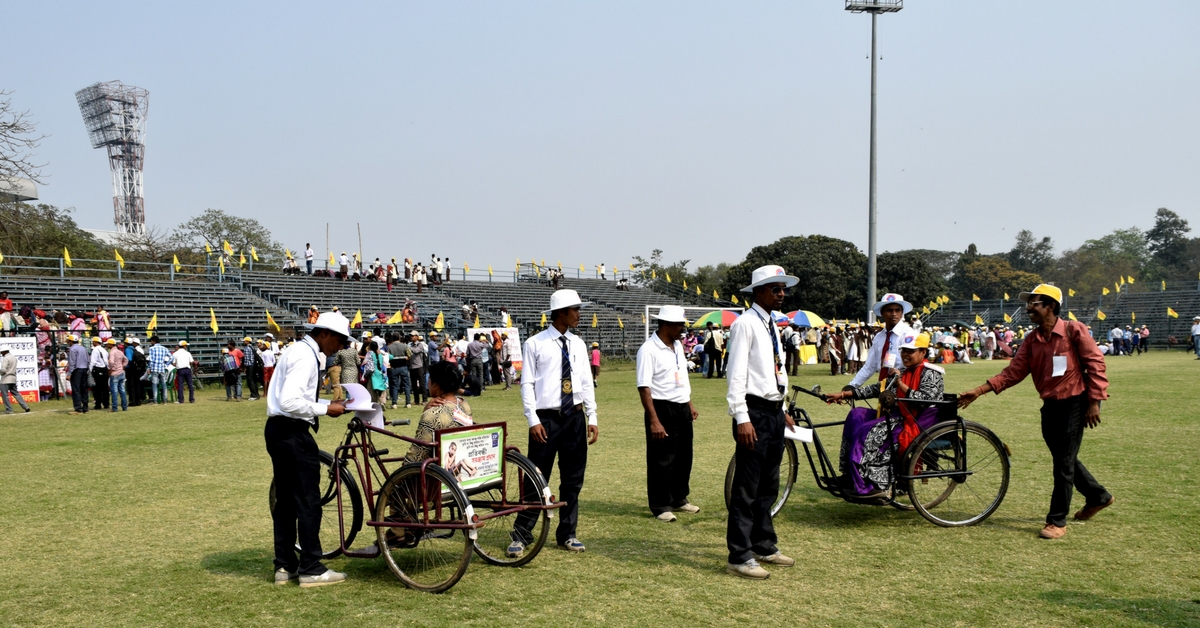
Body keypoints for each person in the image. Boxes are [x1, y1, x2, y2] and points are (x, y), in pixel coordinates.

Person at [957, 284, 1113, 539]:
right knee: (1066, 458)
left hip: (1075, 402)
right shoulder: (1032, 339)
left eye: (1034, 303)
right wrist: (979, 390)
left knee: (1063, 463)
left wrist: (1095, 401)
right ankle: (1099, 496)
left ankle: (1057, 521)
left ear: (1050, 306)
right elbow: (1013, 372)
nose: (1028, 307)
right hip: (1050, 406)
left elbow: (1095, 363)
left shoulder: (1074, 330)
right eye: (1028, 303)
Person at [266, 311, 352, 587]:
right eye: (340, 340)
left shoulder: (299, 351)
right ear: (324, 333)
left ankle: (285, 566)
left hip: (280, 430)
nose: (341, 346)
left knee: (287, 501)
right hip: (292, 431)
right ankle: (311, 567)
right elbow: (291, 401)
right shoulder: (304, 355)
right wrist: (327, 408)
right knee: (307, 501)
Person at [511, 289, 600, 557]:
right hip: (546, 419)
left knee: (573, 479)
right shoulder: (535, 343)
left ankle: (567, 534)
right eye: (575, 309)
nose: (579, 314)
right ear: (561, 312)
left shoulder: (579, 344)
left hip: (574, 417)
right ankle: (521, 534)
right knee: (536, 478)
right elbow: (526, 383)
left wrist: (591, 416)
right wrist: (532, 419)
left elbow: (585, 382)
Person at [724, 265, 798, 580]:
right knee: (746, 487)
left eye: (783, 289)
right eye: (775, 289)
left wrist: (781, 407)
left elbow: (774, 371)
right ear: (759, 292)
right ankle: (739, 554)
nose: (781, 294)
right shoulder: (745, 325)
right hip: (752, 411)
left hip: (772, 411)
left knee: (768, 485)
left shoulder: (771, 325)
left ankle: (763, 543)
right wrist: (741, 417)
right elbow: (736, 374)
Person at [825, 332, 944, 498]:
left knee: (866, 431)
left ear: (923, 352)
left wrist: (900, 383)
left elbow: (923, 401)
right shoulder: (902, 371)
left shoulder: (932, 373)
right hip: (900, 415)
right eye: (903, 351)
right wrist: (844, 395)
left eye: (911, 351)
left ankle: (870, 485)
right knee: (856, 415)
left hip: (916, 420)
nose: (905, 355)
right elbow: (876, 389)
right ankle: (849, 476)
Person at [636, 305, 700, 522]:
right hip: (662, 407)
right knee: (662, 459)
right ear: (666, 325)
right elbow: (644, 387)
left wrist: (689, 403)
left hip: (681, 406)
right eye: (679, 325)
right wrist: (654, 419)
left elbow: (681, 375)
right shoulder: (648, 350)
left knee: (684, 456)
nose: (683, 329)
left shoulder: (678, 346)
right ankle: (660, 504)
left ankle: (679, 498)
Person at [404, 362, 474, 463]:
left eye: (429, 379)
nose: (427, 383)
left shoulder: (433, 415)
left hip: (437, 471)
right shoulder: (464, 404)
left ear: (435, 385)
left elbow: (416, 456)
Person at [0, 346, 31, 414]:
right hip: (13, 378)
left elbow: (4, 370)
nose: (1, 353)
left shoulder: (6, 358)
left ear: (4, 351)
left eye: (1, 352)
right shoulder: (13, 357)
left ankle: (9, 409)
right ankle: (25, 406)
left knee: (5, 395)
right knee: (16, 393)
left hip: (5, 379)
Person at [387, 333, 412, 409]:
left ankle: (394, 403)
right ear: (399, 338)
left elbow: (388, 357)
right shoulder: (405, 346)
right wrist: (405, 358)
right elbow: (410, 355)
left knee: (394, 386)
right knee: (406, 385)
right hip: (403, 367)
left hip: (394, 368)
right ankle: (408, 403)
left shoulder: (389, 347)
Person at [66, 335, 90, 414]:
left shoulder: (72, 349)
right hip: (84, 369)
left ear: (71, 341)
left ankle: (78, 407)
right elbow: (88, 359)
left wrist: (69, 373)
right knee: (84, 388)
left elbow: (72, 362)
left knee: (76, 389)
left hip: (77, 370)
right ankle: (85, 406)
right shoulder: (83, 348)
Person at [106, 338, 128, 412]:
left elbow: (111, 362)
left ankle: (114, 407)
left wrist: (109, 369)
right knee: (122, 390)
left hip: (114, 373)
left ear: (111, 344)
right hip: (121, 372)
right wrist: (122, 366)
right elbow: (126, 360)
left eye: (108, 344)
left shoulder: (112, 352)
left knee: (114, 391)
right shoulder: (120, 352)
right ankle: (124, 406)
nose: (107, 345)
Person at [89, 337, 110, 410]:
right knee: (105, 388)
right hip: (105, 369)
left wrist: (90, 370)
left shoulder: (95, 350)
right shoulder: (104, 350)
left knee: (97, 388)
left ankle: (98, 404)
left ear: (95, 342)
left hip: (98, 370)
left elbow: (93, 361)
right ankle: (106, 403)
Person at [408, 332, 428, 405]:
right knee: (414, 385)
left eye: (413, 336)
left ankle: (425, 400)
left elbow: (416, 351)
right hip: (412, 366)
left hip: (419, 367)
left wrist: (408, 348)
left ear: (417, 336)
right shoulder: (410, 345)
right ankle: (416, 400)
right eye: (411, 336)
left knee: (422, 384)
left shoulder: (420, 345)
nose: (411, 337)